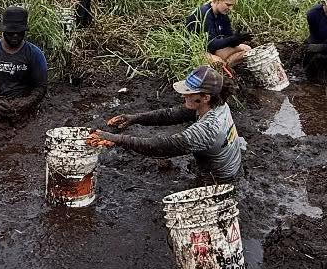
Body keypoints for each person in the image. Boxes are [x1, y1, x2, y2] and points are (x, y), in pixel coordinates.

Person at [87, 65, 243, 183]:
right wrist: (134, 118)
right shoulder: (217, 104)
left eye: (188, 93)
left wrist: (117, 139)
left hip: (219, 179)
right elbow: (171, 115)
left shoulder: (208, 129)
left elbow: (160, 147)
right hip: (229, 164)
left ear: (205, 97)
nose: (183, 95)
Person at [0, 5, 49, 119]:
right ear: (4, 31)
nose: (15, 36)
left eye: (19, 32)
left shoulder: (35, 54)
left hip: (23, 105)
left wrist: (26, 103)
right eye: (11, 32)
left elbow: (41, 86)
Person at [187, 0, 252, 70]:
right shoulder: (204, 13)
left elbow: (228, 38)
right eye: (228, 5)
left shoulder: (223, 15)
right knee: (219, 63)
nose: (230, 8)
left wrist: (238, 39)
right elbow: (210, 44)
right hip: (198, 51)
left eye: (232, 6)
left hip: (215, 50)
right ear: (218, 0)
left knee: (247, 49)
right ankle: (224, 66)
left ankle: (226, 66)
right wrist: (232, 39)